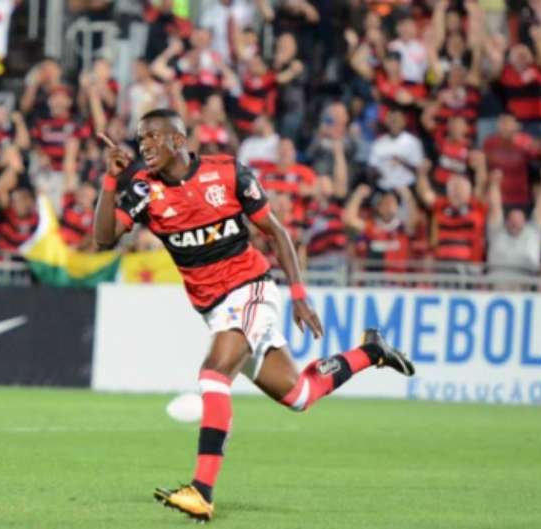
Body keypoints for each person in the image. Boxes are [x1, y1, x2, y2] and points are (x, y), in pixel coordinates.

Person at [93, 109, 415, 522]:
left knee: (213, 373)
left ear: (178, 139)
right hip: (214, 309)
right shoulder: (143, 189)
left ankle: (202, 490)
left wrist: (299, 295)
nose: (145, 147)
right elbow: (102, 238)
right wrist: (110, 180)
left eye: (153, 137)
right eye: (140, 141)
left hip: (250, 289)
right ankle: (371, 352)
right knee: (299, 395)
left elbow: (276, 232)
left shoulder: (227, 173)